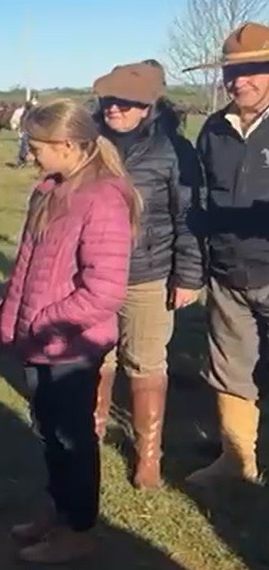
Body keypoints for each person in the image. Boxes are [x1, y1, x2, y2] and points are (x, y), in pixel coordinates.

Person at [0, 99, 140, 564]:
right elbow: (28, 264)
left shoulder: (102, 199)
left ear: (67, 145)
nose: (30, 152)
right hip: (40, 343)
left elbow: (104, 291)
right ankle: (58, 513)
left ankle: (79, 529)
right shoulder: (49, 190)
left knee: (72, 439)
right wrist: (12, 308)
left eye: (36, 145)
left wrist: (45, 321)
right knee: (48, 432)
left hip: (71, 346)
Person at [89, 62, 204, 490]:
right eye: (109, 100)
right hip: (94, 272)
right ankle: (92, 429)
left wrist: (188, 276)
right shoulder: (88, 143)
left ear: (147, 106)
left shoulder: (174, 150)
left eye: (126, 102)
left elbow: (188, 216)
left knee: (145, 361)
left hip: (148, 275)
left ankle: (148, 457)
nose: (115, 108)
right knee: (96, 356)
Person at [185, 21, 269, 486]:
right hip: (227, 272)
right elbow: (201, 203)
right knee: (230, 370)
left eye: (254, 70)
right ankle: (236, 462)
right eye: (232, 73)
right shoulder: (213, 130)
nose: (240, 81)